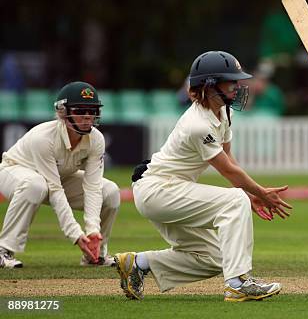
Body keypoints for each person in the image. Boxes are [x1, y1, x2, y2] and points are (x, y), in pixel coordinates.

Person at [113, 51, 292, 301]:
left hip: (170, 191)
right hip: (158, 191)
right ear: (209, 85)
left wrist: (250, 194)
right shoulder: (198, 124)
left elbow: (229, 160)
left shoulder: (223, 112)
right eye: (231, 81)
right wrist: (259, 193)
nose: (238, 87)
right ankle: (238, 283)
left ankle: (139, 264)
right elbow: (226, 170)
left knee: (218, 258)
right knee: (234, 201)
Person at [0, 81, 120, 268]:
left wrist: (92, 231)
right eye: (80, 111)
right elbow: (54, 189)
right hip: (14, 171)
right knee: (35, 185)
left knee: (110, 191)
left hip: (58, 177)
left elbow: (93, 187)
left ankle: (95, 254)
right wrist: (75, 234)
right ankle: (3, 250)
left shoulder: (96, 139)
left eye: (92, 110)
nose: (88, 117)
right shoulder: (43, 138)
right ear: (63, 113)